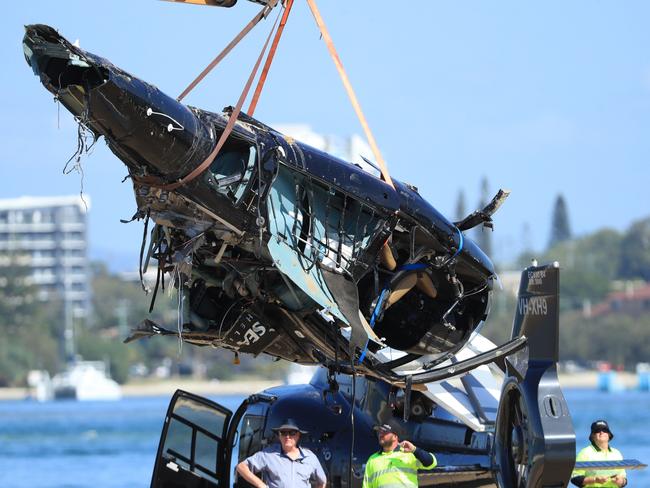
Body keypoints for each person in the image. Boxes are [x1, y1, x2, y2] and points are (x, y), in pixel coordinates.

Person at [236, 419, 326, 488]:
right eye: (283, 432)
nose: (287, 436)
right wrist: (261, 486)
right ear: (279, 436)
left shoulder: (310, 457)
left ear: (298, 435)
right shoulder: (268, 454)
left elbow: (322, 482)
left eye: (292, 433)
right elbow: (241, 467)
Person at [362, 421, 437, 488]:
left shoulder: (409, 454)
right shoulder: (372, 460)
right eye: (379, 431)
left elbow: (432, 463)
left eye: (385, 432)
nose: (380, 434)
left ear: (395, 436)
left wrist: (415, 450)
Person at [571, 420, 627, 487]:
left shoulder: (617, 453)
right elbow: (574, 478)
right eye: (597, 430)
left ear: (609, 434)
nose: (601, 432)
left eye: (604, 430)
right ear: (593, 436)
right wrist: (595, 480)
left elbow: (624, 480)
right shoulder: (585, 453)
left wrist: (621, 481)